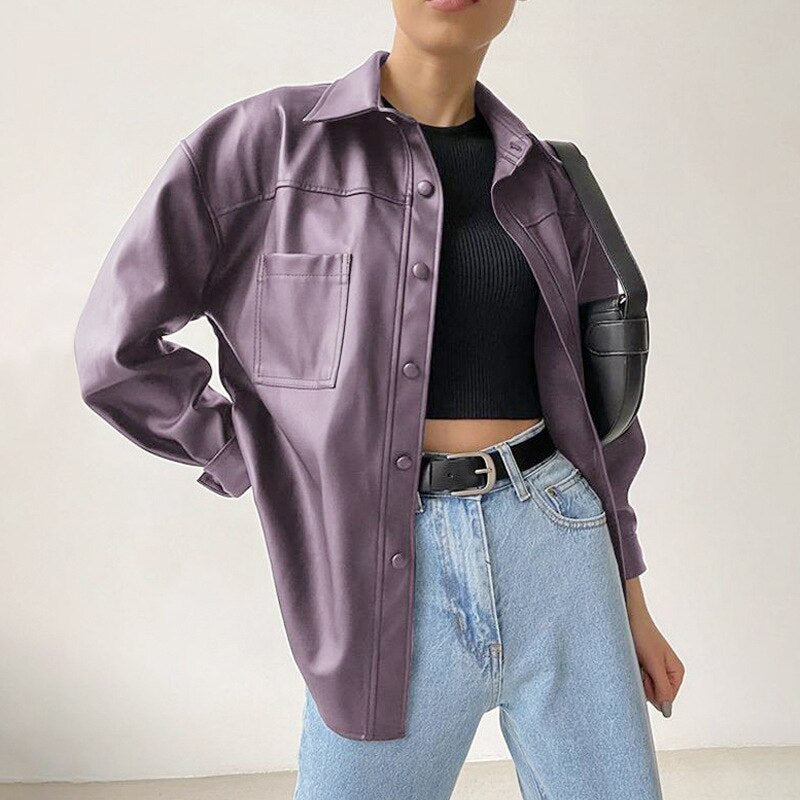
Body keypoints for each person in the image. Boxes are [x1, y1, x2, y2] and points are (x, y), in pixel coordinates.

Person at [74, 1, 684, 797]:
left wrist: (631, 599)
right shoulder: (261, 149)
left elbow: (601, 424)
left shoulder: (549, 178)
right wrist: (253, 456)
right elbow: (114, 349)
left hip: (560, 546)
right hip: (380, 573)